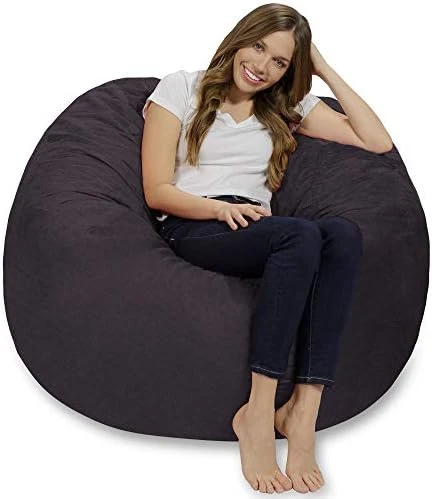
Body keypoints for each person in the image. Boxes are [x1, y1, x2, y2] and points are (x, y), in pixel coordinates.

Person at [139, 2, 391, 493]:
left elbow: (376, 141)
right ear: (241, 38)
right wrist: (217, 210)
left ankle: (303, 411)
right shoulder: (182, 88)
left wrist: (322, 68)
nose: (262, 66)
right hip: (194, 222)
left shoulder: (285, 106)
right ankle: (256, 413)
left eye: (280, 62)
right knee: (299, 234)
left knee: (343, 235)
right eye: (258, 47)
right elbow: (157, 190)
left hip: (259, 228)